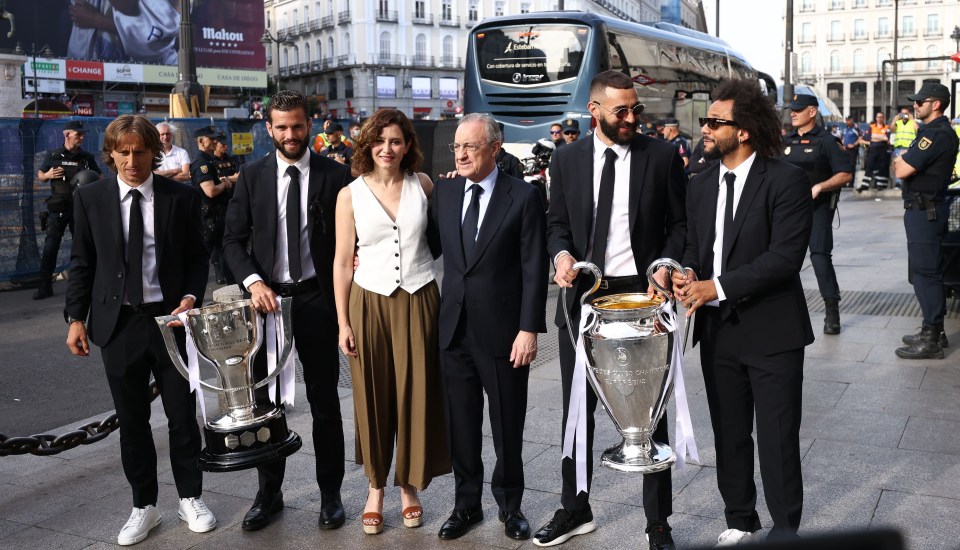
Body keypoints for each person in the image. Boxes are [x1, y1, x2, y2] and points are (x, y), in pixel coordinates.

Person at [538, 70, 686, 549]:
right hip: (585, 296)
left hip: (644, 295)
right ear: (594, 110)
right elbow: (556, 224)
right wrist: (561, 256)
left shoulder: (661, 156)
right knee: (577, 408)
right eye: (621, 110)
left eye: (635, 109)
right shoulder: (566, 159)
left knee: (652, 407)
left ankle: (658, 523)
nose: (631, 118)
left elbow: (680, 226)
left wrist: (664, 267)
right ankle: (575, 508)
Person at [672, 79, 813, 544]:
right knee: (730, 434)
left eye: (715, 121)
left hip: (773, 331)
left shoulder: (786, 179)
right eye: (706, 121)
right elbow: (695, 247)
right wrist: (685, 274)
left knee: (776, 438)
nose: (705, 129)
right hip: (718, 331)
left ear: (745, 130)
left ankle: (785, 530)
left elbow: (784, 258)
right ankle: (739, 520)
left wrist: (718, 286)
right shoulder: (702, 182)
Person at [64, 114, 215, 546]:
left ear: (155, 153)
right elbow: (82, 263)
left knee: (183, 418)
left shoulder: (179, 197)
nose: (132, 160)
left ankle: (191, 496)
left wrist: (190, 297)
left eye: (141, 151)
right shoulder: (91, 198)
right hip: (118, 323)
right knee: (132, 422)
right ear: (111, 154)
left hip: (170, 322)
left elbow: (197, 257)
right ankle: (143, 506)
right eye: (124, 152)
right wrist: (76, 318)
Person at [222, 90, 351, 532]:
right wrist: (254, 282)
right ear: (269, 129)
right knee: (265, 405)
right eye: (282, 127)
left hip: (317, 301)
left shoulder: (337, 176)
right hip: (266, 304)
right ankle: (269, 493)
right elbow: (231, 242)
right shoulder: (251, 176)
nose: (290, 134)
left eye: (297, 125)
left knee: (324, 401)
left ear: (309, 125)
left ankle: (330, 495)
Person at [332, 109, 451, 535]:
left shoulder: (423, 184)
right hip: (369, 303)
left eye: (396, 141)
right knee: (373, 396)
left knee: (415, 395)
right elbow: (343, 261)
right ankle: (375, 487)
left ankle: (409, 486)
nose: (388, 149)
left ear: (407, 146)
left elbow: (439, 241)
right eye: (380, 141)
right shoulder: (350, 194)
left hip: (420, 298)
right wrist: (343, 322)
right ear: (368, 144)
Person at [431, 113, 548, 542]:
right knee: (461, 425)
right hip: (453, 331)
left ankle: (510, 506)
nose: (460, 154)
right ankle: (466, 506)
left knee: (506, 426)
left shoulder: (524, 196)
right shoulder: (443, 191)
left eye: (470, 147)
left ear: (495, 149)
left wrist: (528, 328)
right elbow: (423, 244)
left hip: (503, 334)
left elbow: (535, 268)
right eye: (457, 147)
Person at [892, 83, 959, 359]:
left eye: (921, 101)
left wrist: (901, 159)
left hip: (925, 211)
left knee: (926, 274)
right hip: (924, 209)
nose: (916, 105)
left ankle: (931, 337)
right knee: (925, 271)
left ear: (937, 104)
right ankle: (934, 331)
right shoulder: (934, 132)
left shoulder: (936, 134)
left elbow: (902, 169)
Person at [781, 94, 853, 335]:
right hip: (788, 210)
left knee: (820, 257)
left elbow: (845, 174)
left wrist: (821, 186)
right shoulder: (786, 140)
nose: (793, 113)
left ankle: (832, 310)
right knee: (781, 259)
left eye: (799, 109)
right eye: (792, 109)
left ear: (812, 112)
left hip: (818, 208)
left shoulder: (827, 141)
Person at [34, 120, 102, 300]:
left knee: (83, 245)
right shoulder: (54, 155)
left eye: (82, 134)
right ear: (67, 135)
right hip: (59, 206)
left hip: (81, 207)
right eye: (78, 134)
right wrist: (47, 175)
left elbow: (99, 177)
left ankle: (87, 283)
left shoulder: (86, 157)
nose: (81, 137)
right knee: (51, 246)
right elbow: (41, 175)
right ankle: (45, 286)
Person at [190, 127, 232, 285]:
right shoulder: (202, 162)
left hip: (217, 214)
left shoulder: (208, 160)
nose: (215, 141)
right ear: (200, 141)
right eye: (211, 138)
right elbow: (211, 191)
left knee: (221, 248)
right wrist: (225, 183)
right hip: (210, 216)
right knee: (204, 254)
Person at [857, 111, 891, 191]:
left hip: (883, 150)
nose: (879, 119)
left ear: (883, 118)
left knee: (881, 167)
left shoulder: (887, 127)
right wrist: (881, 138)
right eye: (878, 117)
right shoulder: (871, 127)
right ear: (876, 118)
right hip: (872, 149)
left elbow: (887, 139)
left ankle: (880, 185)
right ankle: (864, 185)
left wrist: (875, 137)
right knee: (869, 166)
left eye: (881, 117)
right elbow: (867, 138)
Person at [891, 107, 919, 189]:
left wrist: (912, 119)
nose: (904, 115)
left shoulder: (912, 122)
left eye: (906, 114)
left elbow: (918, 129)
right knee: (897, 165)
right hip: (898, 147)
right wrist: (894, 119)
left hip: (908, 148)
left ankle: (909, 183)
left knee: (908, 166)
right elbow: (892, 129)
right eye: (902, 113)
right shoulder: (898, 122)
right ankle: (898, 183)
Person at [842, 115, 862, 185]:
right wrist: (843, 145)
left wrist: (854, 144)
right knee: (844, 166)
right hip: (845, 149)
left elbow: (860, 138)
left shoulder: (855, 128)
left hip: (852, 150)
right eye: (846, 120)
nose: (847, 121)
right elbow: (843, 138)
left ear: (852, 120)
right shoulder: (845, 129)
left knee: (851, 166)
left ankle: (851, 183)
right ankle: (844, 182)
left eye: (848, 120)